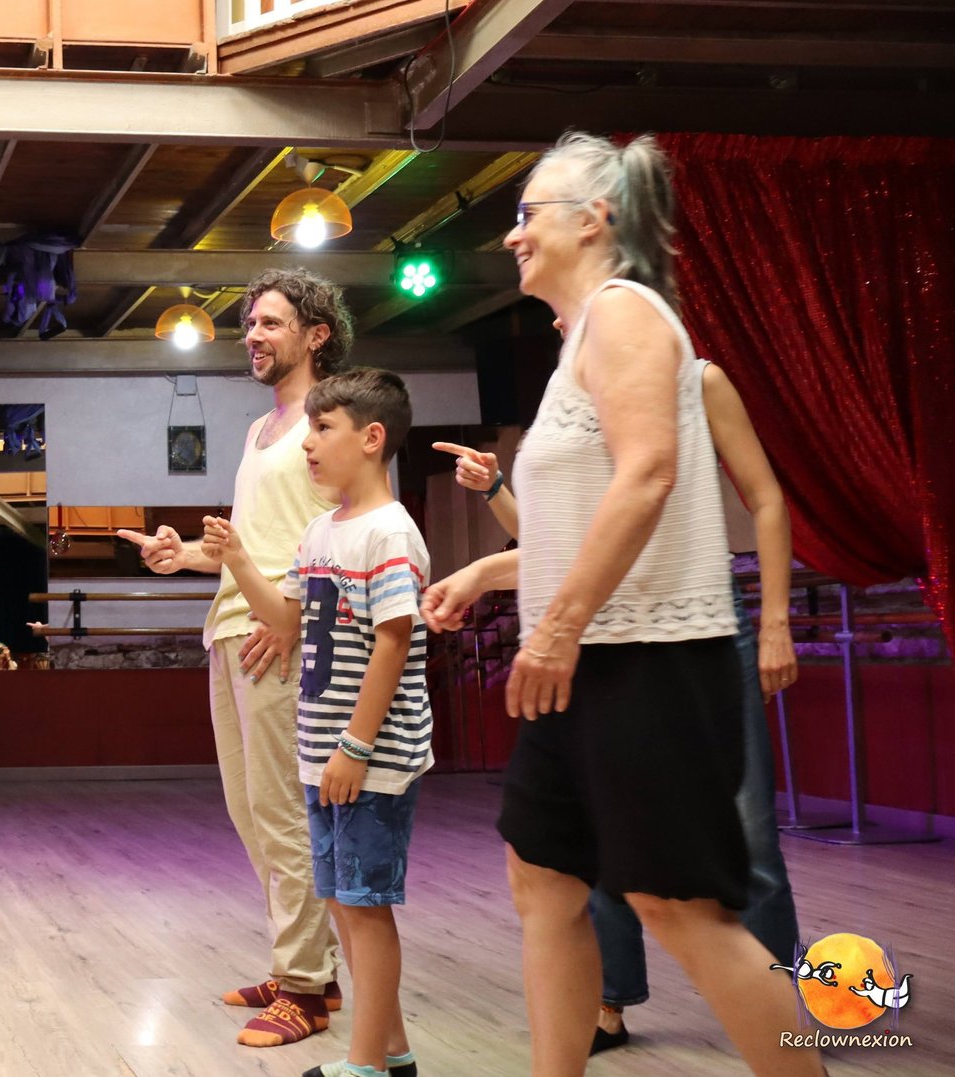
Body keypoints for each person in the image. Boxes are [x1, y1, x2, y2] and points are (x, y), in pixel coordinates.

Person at [420, 132, 822, 1076]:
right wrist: (485, 577)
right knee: (544, 880)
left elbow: (648, 479)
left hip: (649, 661)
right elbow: (583, 528)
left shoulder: (628, 314)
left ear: (593, 220)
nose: (512, 235)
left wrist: (555, 629)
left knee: (679, 907)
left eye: (526, 213)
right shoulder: (581, 343)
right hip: (587, 663)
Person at [433, 352, 800, 1054]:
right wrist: (495, 493)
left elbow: (767, 498)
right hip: (598, 627)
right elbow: (561, 542)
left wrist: (776, 619)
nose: (563, 320)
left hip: (691, 625)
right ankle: (609, 1003)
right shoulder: (565, 388)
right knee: (570, 854)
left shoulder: (699, 380)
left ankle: (776, 1004)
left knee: (747, 842)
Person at [116, 268, 347, 1048]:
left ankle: (308, 989)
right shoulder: (258, 433)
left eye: (271, 323)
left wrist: (301, 617)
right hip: (231, 628)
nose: (253, 335)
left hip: (280, 633)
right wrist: (182, 556)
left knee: (284, 814)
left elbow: (343, 534)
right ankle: (304, 963)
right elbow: (254, 546)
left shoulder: (331, 421)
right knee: (251, 813)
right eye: (250, 323)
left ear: (316, 335)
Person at [204, 367, 430, 1077]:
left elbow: (393, 641)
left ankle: (366, 1063)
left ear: (371, 438)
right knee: (341, 901)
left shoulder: (390, 532)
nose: (309, 444)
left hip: (370, 756)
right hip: (323, 753)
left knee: (365, 908)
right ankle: (393, 1054)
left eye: (322, 429)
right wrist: (238, 557)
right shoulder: (320, 529)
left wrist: (355, 746)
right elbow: (285, 619)